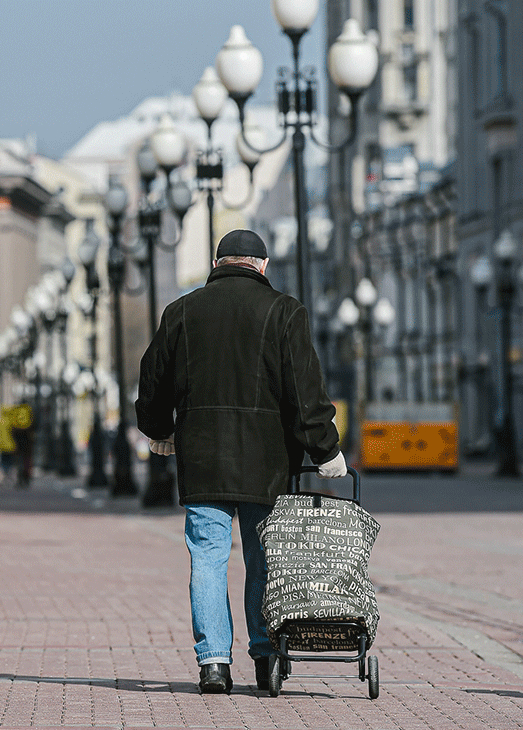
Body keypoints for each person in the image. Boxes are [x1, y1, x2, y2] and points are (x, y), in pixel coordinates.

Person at [135, 229, 347, 695]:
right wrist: (325, 448)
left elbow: (153, 379)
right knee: (263, 558)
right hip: (267, 462)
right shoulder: (284, 311)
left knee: (207, 557)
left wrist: (160, 431)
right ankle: (266, 656)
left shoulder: (182, 311)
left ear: (219, 263)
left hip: (204, 457)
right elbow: (303, 388)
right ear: (262, 266)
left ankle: (213, 664)